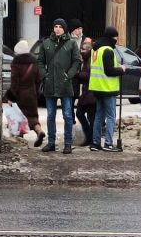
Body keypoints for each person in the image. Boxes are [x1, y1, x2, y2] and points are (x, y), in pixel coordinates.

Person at [36, 18, 81, 153]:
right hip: (50, 85)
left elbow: (76, 61)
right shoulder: (46, 43)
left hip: (65, 85)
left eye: (60, 27)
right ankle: (51, 143)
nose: (57, 29)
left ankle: (67, 143)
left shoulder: (71, 44)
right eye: (55, 26)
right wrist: (45, 75)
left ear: (64, 29)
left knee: (67, 115)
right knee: (50, 115)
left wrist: (69, 75)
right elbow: (39, 61)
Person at [88, 26, 125, 152]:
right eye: (115, 37)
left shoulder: (95, 50)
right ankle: (108, 144)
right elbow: (109, 71)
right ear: (111, 37)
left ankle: (95, 143)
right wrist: (121, 69)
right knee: (110, 116)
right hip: (107, 88)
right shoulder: (108, 50)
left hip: (97, 87)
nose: (116, 40)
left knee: (99, 116)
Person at [8, 40, 45, 147]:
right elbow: (38, 80)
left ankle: (19, 142)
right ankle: (39, 131)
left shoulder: (16, 64)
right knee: (32, 116)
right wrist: (36, 92)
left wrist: (11, 96)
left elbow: (15, 82)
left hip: (20, 94)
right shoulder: (34, 63)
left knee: (18, 117)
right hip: (31, 93)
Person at [74, 38, 96, 146]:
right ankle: (89, 137)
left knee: (91, 117)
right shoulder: (83, 61)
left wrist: (77, 75)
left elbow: (88, 75)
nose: (81, 52)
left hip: (92, 93)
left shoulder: (91, 60)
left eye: (83, 50)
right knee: (80, 114)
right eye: (81, 50)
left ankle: (91, 139)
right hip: (86, 92)